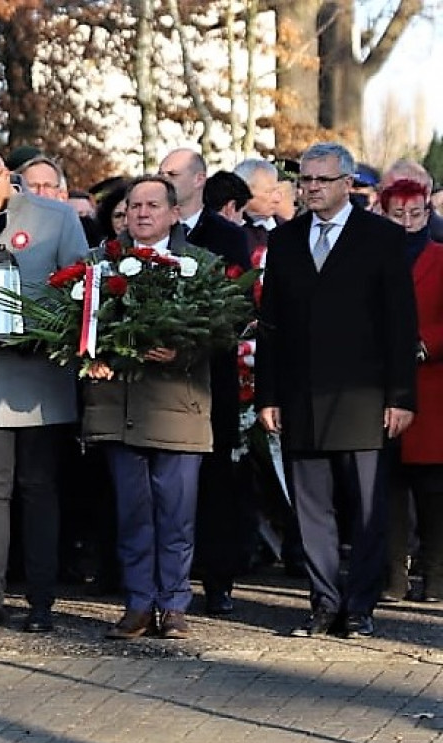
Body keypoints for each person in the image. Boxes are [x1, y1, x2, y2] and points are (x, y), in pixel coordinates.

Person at [256, 142, 418, 639]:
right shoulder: (286, 241)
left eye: (322, 180)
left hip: (365, 395)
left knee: (368, 509)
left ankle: (360, 606)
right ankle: (324, 601)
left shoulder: (381, 238)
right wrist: (268, 395)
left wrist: (400, 397)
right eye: (305, 180)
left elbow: (399, 323)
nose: (311, 189)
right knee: (311, 508)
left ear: (348, 183)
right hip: (301, 394)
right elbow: (272, 325)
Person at [0, 147, 88, 634]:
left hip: (41, 379)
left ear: (7, 178)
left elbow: (82, 290)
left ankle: (42, 599)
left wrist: (48, 333)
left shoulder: (56, 218)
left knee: (39, 488)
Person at [83, 176, 213, 640]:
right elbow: (76, 324)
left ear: (174, 212)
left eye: (152, 205)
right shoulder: (98, 264)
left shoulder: (199, 265)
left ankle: (174, 604)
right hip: (119, 408)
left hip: (177, 408)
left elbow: (220, 329)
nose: (141, 213)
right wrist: (91, 355)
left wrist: (184, 352)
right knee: (133, 513)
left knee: (176, 515)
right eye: (134, 205)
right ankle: (138, 603)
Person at [158, 148, 252, 617]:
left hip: (208, 382)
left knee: (215, 483)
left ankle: (218, 581)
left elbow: (235, 308)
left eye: (172, 173)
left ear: (198, 180)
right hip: (156, 384)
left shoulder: (227, 237)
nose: (163, 179)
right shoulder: (156, 235)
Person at [377, 179, 443, 603]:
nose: (407, 222)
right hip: (378, 387)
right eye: (398, 214)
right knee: (388, 489)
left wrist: (425, 343)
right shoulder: (373, 256)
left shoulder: (440, 256)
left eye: (415, 214)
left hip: (431, 387)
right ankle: (393, 578)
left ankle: (436, 576)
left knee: (434, 492)